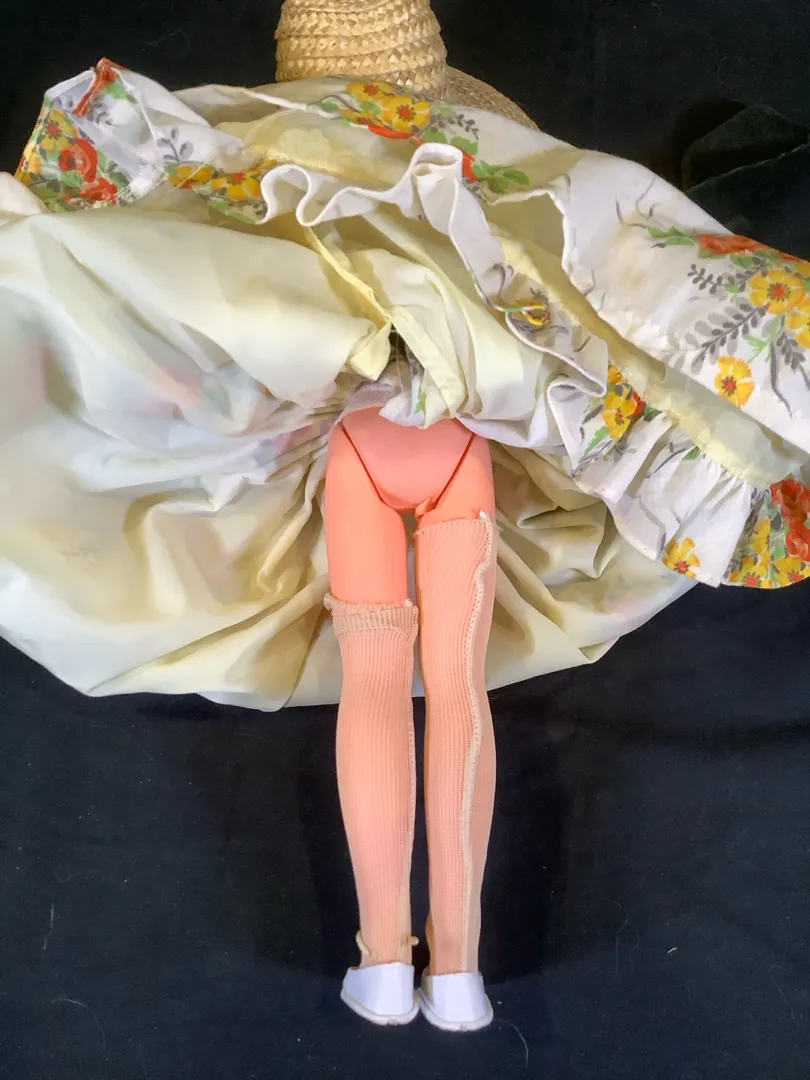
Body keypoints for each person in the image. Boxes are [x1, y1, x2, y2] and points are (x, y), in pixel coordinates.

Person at [2, 0, 809, 1034]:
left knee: (376, 685)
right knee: (457, 691)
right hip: (459, 459)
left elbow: (190, 303)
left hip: (353, 457)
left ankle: (383, 959)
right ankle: (458, 969)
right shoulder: (480, 203)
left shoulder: (278, 204)